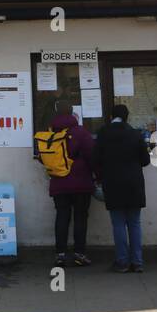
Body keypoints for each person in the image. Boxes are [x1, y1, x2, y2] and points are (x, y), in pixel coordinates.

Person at [93, 104, 151, 273]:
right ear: (127, 116)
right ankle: (138, 262)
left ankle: (122, 262)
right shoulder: (135, 133)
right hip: (134, 184)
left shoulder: (103, 133)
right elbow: (145, 160)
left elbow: (95, 158)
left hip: (113, 183)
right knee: (134, 223)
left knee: (118, 224)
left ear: (112, 116)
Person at [48, 102, 95, 267]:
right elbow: (92, 155)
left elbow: (43, 157)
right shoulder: (80, 132)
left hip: (58, 182)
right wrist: (97, 175)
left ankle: (60, 254)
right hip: (81, 183)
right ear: (72, 113)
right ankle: (79, 254)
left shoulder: (50, 132)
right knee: (80, 218)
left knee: (62, 217)